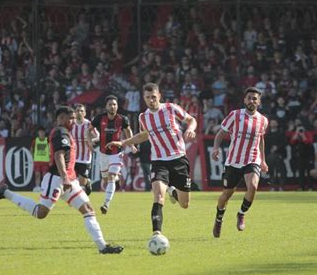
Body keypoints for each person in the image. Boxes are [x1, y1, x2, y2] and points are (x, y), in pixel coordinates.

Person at [0, 106, 123, 254]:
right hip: (57, 179)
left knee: (88, 210)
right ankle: (5, 192)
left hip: (70, 180)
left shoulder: (66, 132)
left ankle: (103, 247)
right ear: (61, 119)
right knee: (41, 213)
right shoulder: (60, 132)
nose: (72, 121)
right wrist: (64, 178)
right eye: (70, 118)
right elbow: (59, 155)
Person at [106, 83, 197, 237]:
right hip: (159, 161)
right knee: (158, 196)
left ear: (159, 96)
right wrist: (123, 143)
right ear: (144, 99)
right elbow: (144, 135)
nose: (151, 100)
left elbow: (191, 119)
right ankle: (156, 233)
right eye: (147, 98)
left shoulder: (171, 108)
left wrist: (190, 129)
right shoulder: (144, 117)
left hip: (179, 159)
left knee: (184, 204)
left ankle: (173, 192)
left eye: (153, 97)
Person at [211, 87, 269, 238]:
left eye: (254, 98)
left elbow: (261, 139)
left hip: (252, 159)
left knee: (253, 186)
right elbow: (221, 133)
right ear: (244, 100)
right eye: (249, 98)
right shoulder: (235, 115)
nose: (251, 101)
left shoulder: (263, 120)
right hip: (233, 161)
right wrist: (216, 148)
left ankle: (241, 213)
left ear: (259, 101)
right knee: (226, 194)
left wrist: (262, 160)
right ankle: (218, 220)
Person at [90, 95, 137, 214]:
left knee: (110, 177)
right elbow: (89, 129)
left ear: (117, 106)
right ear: (106, 106)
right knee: (106, 180)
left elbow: (128, 131)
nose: (112, 106)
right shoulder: (99, 118)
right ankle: (116, 178)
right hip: (103, 154)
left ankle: (106, 204)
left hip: (117, 153)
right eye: (110, 104)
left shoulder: (122, 119)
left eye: (114, 104)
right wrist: (89, 141)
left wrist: (131, 145)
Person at [71, 104, 98, 196]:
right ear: (75, 113)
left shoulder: (88, 124)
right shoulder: (71, 124)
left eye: (81, 111)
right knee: (72, 179)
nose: (79, 112)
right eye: (77, 110)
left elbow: (98, 136)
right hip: (73, 156)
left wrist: (90, 141)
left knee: (82, 181)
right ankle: (75, 197)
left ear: (85, 113)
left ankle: (87, 183)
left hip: (85, 157)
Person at [30, 126, 50, 192]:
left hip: (45, 161)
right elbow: (31, 149)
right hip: (37, 160)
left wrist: (50, 157)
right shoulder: (35, 141)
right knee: (37, 175)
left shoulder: (47, 140)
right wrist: (33, 157)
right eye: (40, 132)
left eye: (42, 132)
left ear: (44, 133)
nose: (41, 133)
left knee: (44, 175)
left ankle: (44, 187)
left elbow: (51, 149)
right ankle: (37, 187)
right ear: (38, 133)